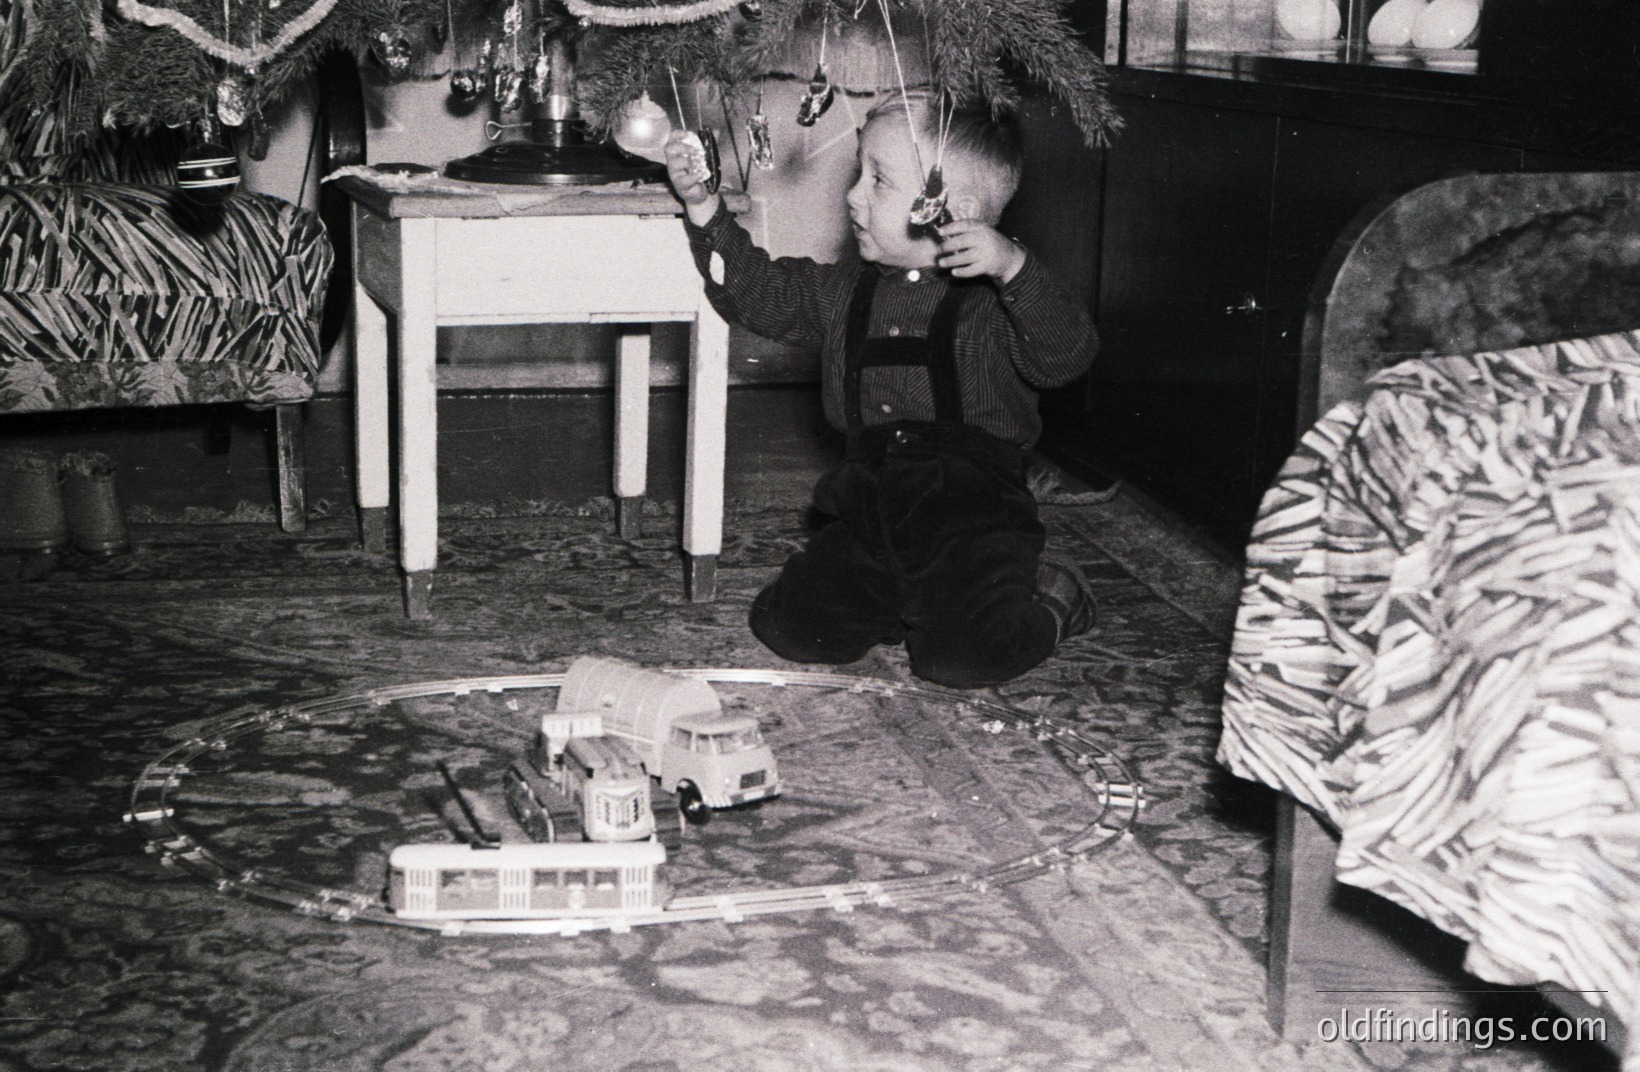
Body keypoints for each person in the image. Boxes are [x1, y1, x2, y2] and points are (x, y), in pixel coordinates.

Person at [663, 92, 1098, 689]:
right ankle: (906, 602)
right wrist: (705, 210)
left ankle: (1052, 602)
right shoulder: (844, 291)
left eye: (879, 181)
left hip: (972, 523)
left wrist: (1014, 268)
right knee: (789, 629)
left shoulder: (998, 303)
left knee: (959, 661)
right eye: (859, 173)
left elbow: (1066, 357)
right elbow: (757, 291)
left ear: (951, 208)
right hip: (870, 510)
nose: (852, 196)